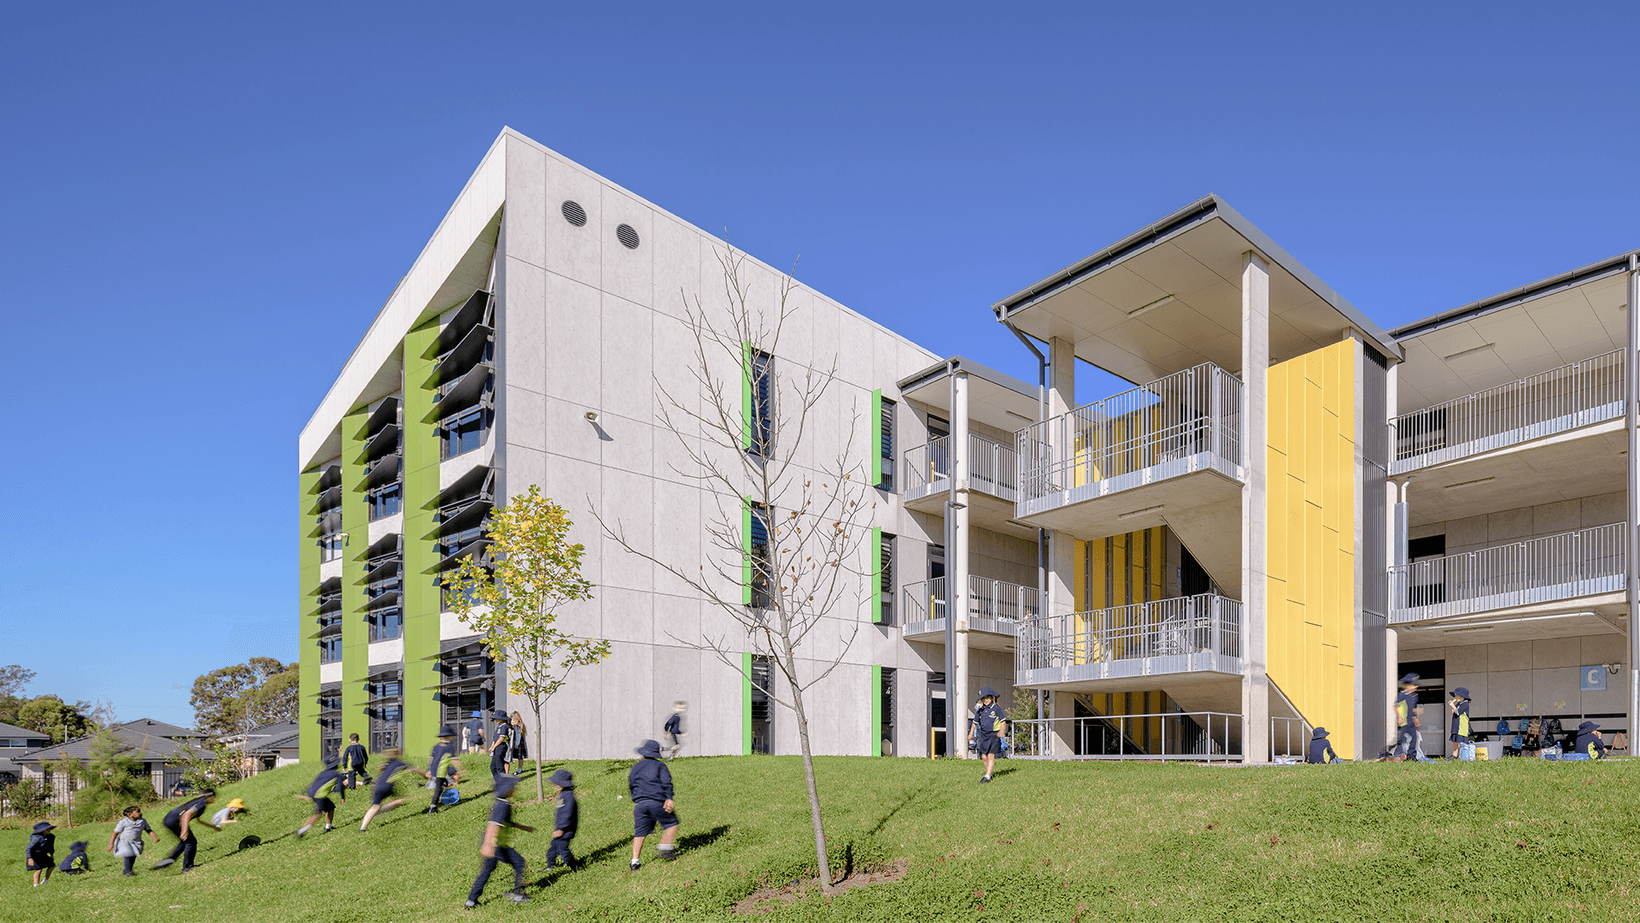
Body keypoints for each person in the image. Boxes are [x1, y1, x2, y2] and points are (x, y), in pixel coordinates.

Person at [465, 773, 533, 908]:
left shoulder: (502, 803)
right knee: (519, 863)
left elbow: (506, 822)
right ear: (507, 789)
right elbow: (493, 825)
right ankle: (518, 894)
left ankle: (471, 901)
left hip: (496, 844)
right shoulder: (502, 805)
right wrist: (488, 845)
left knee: (486, 872)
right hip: (495, 845)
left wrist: (524, 827)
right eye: (513, 787)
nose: (515, 789)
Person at [628, 739, 680, 870]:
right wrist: (668, 798)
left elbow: (631, 784)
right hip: (657, 802)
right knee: (672, 823)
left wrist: (637, 797)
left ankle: (635, 861)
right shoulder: (660, 766)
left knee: (640, 832)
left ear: (643, 753)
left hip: (640, 805)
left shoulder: (635, 767)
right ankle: (665, 847)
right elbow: (666, 783)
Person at [359, 747, 430, 831]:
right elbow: (415, 769)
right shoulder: (399, 763)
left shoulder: (387, 763)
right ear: (397, 755)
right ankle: (378, 812)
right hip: (387, 786)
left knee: (375, 806)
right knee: (398, 801)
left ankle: (363, 827)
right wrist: (426, 776)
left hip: (376, 786)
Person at [155, 788, 218, 871]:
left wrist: (213, 827)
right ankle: (187, 866)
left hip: (169, 819)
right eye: (213, 797)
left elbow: (198, 820)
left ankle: (170, 859)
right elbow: (186, 815)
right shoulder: (202, 803)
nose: (214, 799)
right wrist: (184, 830)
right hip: (175, 821)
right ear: (210, 797)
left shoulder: (199, 802)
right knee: (191, 842)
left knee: (185, 841)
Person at [968, 686, 1008, 784]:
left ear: (992, 698)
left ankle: (987, 776)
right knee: (984, 756)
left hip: (994, 735)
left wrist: (1001, 732)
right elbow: (974, 723)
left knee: (990, 755)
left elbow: (1003, 721)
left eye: (987, 698)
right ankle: (989, 773)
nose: (986, 700)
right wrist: (971, 733)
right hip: (983, 735)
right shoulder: (980, 710)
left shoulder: (996, 709)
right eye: (983, 698)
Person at [298, 756, 345, 835]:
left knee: (330, 807)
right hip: (319, 795)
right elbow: (341, 786)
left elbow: (313, 783)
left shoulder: (322, 773)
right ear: (335, 765)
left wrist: (307, 793)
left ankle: (328, 826)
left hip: (313, 793)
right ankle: (301, 831)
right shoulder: (336, 774)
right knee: (318, 814)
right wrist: (342, 797)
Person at [545, 768, 579, 872]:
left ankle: (574, 866)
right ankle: (550, 865)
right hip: (561, 829)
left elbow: (566, 814)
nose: (554, 786)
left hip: (566, 830)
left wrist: (560, 828)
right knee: (552, 849)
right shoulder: (563, 795)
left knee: (563, 849)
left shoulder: (568, 796)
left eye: (557, 783)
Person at [108, 805, 157, 876]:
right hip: (125, 841)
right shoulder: (123, 822)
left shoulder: (142, 821)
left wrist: (154, 836)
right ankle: (128, 871)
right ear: (129, 814)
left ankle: (126, 871)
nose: (140, 813)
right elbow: (115, 833)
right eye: (138, 812)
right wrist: (110, 844)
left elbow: (148, 829)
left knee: (133, 855)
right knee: (128, 853)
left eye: (140, 811)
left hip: (136, 842)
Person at [427, 725, 463, 814]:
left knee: (443, 785)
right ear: (448, 736)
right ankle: (433, 807)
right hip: (441, 772)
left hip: (434, 770)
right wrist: (461, 770)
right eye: (451, 736)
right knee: (438, 789)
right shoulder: (449, 746)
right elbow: (454, 760)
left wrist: (429, 770)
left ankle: (443, 799)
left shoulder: (436, 746)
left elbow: (430, 759)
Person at [1391, 673, 1419, 761]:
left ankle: (1411, 756)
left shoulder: (1414, 696)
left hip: (1411, 721)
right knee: (1401, 739)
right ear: (1408, 686)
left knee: (1414, 738)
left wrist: (1416, 718)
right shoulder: (1402, 694)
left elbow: (1412, 709)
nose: (1415, 687)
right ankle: (1394, 753)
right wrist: (1399, 717)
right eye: (1413, 685)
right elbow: (1396, 706)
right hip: (1404, 722)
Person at [26, 821, 55, 887]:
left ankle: (45, 880)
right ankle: (36, 884)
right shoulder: (36, 838)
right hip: (34, 855)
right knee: (39, 869)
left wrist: (52, 855)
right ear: (42, 830)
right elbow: (28, 849)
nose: (49, 830)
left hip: (43, 854)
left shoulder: (51, 837)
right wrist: (29, 858)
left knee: (52, 865)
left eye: (50, 828)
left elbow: (50, 847)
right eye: (47, 829)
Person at [1449, 687, 1472, 759]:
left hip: (1461, 726)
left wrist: (1453, 706)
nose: (1456, 697)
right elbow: (1453, 712)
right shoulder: (1459, 703)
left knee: (1460, 742)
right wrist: (1452, 705)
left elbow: (1458, 712)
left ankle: (1461, 755)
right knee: (1455, 741)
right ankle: (1454, 755)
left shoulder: (1465, 704)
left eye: (1457, 696)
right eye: (1455, 695)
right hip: (1456, 726)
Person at [507, 712, 528, 776]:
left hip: (518, 743)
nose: (511, 721)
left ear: (515, 719)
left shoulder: (517, 726)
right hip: (521, 742)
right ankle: (520, 769)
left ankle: (519, 770)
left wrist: (516, 744)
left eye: (512, 719)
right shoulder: (521, 725)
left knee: (519, 757)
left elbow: (518, 735)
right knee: (520, 757)